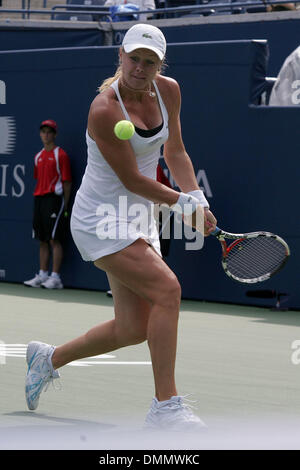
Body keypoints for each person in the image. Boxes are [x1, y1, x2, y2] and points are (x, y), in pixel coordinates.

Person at [25, 24, 217, 430]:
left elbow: (176, 150)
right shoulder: (104, 109)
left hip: (139, 217)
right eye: (134, 59)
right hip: (100, 218)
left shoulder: (169, 91)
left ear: (160, 65)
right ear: (121, 57)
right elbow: (131, 180)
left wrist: (196, 197)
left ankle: (48, 358)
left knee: (133, 328)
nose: (140, 68)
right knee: (168, 290)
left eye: (150, 62)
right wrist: (182, 204)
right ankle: (166, 408)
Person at [24, 120, 72, 289]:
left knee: (54, 239)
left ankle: (56, 277)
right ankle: (43, 274)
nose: (46, 135)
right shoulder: (38, 156)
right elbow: (39, 179)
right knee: (42, 239)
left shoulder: (61, 155)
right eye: (43, 131)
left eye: (49, 132)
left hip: (55, 200)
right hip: (39, 199)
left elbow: (66, 182)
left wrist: (65, 206)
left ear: (55, 135)